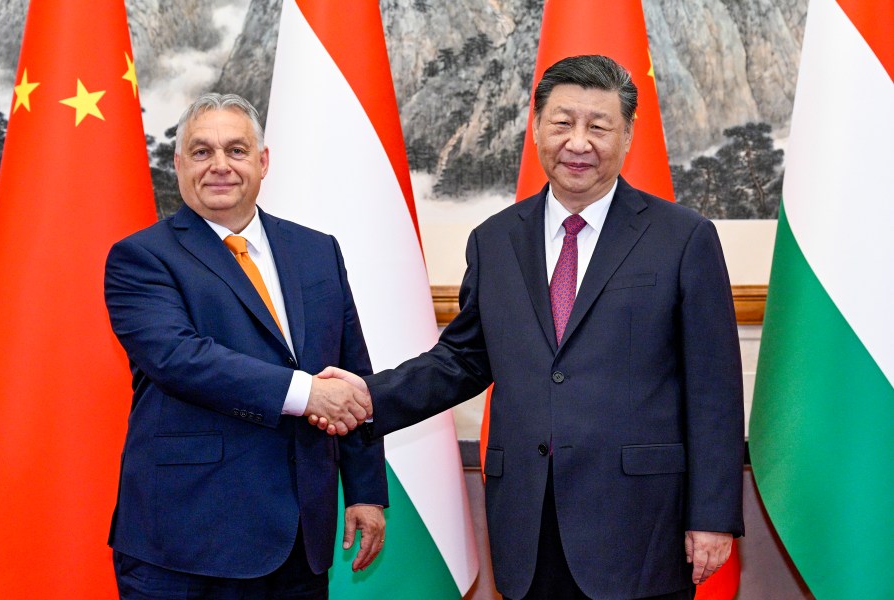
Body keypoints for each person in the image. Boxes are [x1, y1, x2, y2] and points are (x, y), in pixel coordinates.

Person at [317, 55, 744, 600]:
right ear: (537, 127)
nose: (579, 142)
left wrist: (712, 516)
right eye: (563, 123)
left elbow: (715, 391)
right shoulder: (495, 240)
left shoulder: (683, 238)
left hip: (641, 525)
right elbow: (463, 360)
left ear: (628, 135)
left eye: (599, 126)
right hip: (527, 519)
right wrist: (366, 395)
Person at [104, 93, 387, 599]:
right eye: (201, 151)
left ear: (262, 161)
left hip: (301, 540)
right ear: (178, 164)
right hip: (188, 544)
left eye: (236, 150)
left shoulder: (317, 250)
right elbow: (179, 357)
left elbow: (350, 373)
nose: (220, 166)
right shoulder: (141, 258)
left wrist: (365, 492)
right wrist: (306, 394)